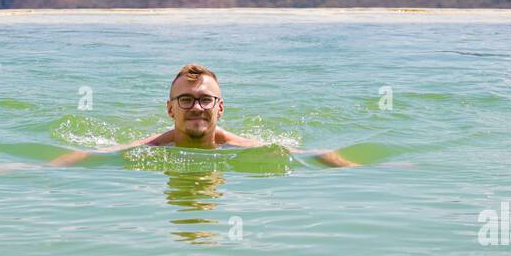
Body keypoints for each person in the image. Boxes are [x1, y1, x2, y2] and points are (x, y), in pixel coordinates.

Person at [51, 63, 357, 166]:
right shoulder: (151, 149)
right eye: (185, 99)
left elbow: (306, 154)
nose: (197, 107)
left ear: (220, 108)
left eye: (205, 100)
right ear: (170, 109)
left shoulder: (241, 146)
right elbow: (95, 155)